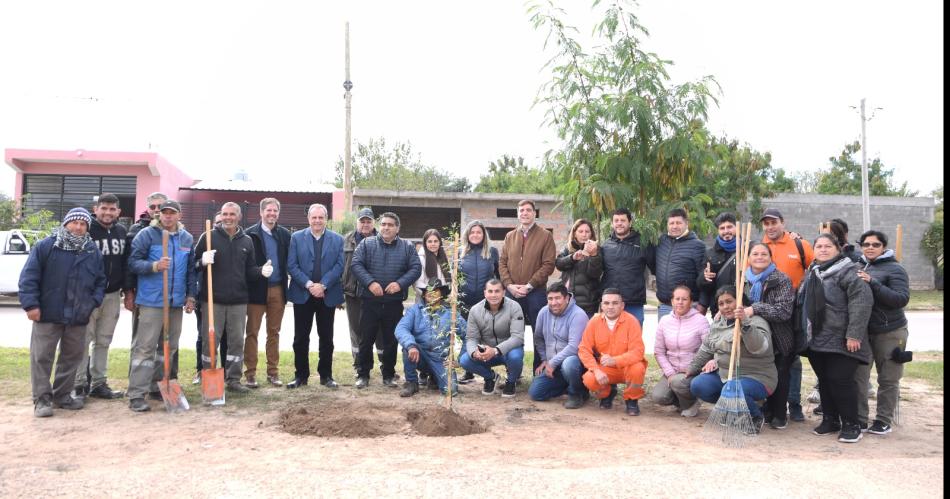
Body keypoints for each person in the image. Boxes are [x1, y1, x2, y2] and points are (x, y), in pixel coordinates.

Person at [20, 207, 106, 417]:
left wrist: (92, 302)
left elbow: (100, 281)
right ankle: (41, 399)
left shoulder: (91, 250)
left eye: (83, 224)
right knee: (42, 357)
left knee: (72, 357)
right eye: (74, 222)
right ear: (66, 223)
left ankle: (62, 396)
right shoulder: (46, 246)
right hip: (48, 313)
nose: (78, 227)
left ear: (87, 227)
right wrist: (31, 305)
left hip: (78, 316)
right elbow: (29, 277)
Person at [797, 233, 873, 443]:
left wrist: (854, 334)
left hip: (843, 338)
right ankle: (831, 420)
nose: (822, 249)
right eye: (819, 246)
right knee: (825, 381)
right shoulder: (813, 271)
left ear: (838, 248)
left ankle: (852, 424)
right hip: (817, 338)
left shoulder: (850, 272)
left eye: (827, 246)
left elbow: (861, 303)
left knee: (841, 381)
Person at [194, 202, 271, 394]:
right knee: (210, 340)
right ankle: (209, 377)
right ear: (221, 215)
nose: (228, 217)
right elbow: (192, 265)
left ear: (239, 217)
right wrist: (202, 261)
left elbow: (250, 270)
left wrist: (261, 271)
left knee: (237, 341)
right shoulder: (208, 237)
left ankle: (233, 379)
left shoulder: (246, 241)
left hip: (238, 300)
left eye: (232, 214)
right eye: (225, 214)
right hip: (212, 300)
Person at [126, 200, 196, 412]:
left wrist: (190, 296)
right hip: (152, 301)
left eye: (172, 213)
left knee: (168, 348)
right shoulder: (147, 235)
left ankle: (158, 385)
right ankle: (137, 393)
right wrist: (154, 266)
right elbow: (132, 263)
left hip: (175, 302)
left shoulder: (186, 238)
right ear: (159, 215)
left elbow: (191, 270)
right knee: (145, 348)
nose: (167, 216)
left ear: (179, 216)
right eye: (164, 213)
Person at [687, 286, 777, 432]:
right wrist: (692, 368)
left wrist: (744, 323)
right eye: (721, 304)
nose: (725, 307)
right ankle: (730, 409)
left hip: (757, 377)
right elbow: (707, 348)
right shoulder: (719, 323)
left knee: (734, 388)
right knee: (698, 384)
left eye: (729, 301)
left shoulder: (756, 321)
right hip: (726, 376)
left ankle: (755, 417)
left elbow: (759, 348)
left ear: (740, 301)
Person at [351, 212, 422, 388]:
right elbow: (356, 264)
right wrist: (370, 282)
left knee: (391, 340)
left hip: (394, 302)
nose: (386, 227)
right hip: (369, 301)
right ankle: (363, 374)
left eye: (390, 225)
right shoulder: (366, 244)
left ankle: (389, 374)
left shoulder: (407, 247)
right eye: (383, 224)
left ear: (397, 228)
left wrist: (400, 283)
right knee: (365, 339)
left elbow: (415, 268)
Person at [760, 207, 814, 423]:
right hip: (766, 313)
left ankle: (794, 403)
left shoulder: (799, 244)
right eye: (766, 223)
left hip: (793, 312)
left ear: (783, 222)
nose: (770, 227)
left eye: (774, 222)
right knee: (770, 359)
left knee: (792, 360)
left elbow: (818, 265)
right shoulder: (759, 247)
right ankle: (771, 404)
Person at [735, 243, 796, 429]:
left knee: (780, 375)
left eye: (764, 253)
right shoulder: (742, 279)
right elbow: (735, 302)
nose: (759, 257)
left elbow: (784, 311)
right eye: (755, 253)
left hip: (778, 338)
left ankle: (779, 413)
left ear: (771, 257)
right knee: (756, 375)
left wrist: (755, 309)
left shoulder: (781, 279)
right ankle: (763, 411)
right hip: (752, 336)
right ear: (749, 257)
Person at [854, 230, 910, 435]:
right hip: (862, 332)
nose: (870, 247)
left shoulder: (895, 269)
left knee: (888, 377)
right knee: (859, 377)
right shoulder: (857, 266)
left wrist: (873, 282)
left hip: (890, 331)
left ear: (883, 247)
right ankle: (859, 419)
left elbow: (900, 299)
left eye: (875, 244)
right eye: (866, 244)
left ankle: (883, 420)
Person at [74, 193, 128, 400]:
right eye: (103, 208)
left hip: (113, 294)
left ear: (118, 212)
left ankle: (98, 383)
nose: (107, 212)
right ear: (95, 209)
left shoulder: (122, 231)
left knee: (104, 340)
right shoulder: (85, 230)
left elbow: (124, 263)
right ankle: (79, 384)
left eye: (112, 209)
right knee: (82, 339)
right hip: (87, 294)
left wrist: (126, 289)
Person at [285, 203, 343, 389]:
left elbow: (340, 266)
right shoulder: (296, 238)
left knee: (326, 337)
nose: (317, 221)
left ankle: (326, 376)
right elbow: (292, 265)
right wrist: (310, 285)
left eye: (321, 217)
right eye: (314, 217)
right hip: (303, 294)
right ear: (308, 218)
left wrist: (323, 285)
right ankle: (301, 375)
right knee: (300, 338)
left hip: (327, 294)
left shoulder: (337, 239)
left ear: (326, 219)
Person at [499, 199, 556, 372]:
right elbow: (502, 263)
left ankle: (538, 373)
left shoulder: (545, 236)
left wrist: (529, 285)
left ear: (534, 213)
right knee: (512, 333)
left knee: (539, 333)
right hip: (512, 293)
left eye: (528, 210)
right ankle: (513, 374)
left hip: (536, 292)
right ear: (518, 214)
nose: (524, 213)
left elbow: (548, 264)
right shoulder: (510, 236)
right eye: (521, 210)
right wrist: (509, 286)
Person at [243, 198, 291, 388]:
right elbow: (245, 266)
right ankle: (250, 373)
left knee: (274, 332)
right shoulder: (250, 234)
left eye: (275, 211)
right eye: (268, 210)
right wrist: (258, 271)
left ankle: (272, 372)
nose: (272, 214)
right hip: (256, 290)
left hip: (277, 289)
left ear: (278, 213)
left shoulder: (284, 235)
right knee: (252, 332)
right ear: (261, 212)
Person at [578, 288, 647, 416]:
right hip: (606, 369)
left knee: (637, 368)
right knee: (589, 378)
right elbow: (584, 349)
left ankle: (632, 400)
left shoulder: (632, 321)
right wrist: (596, 370)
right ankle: (606, 394)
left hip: (627, 367)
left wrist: (616, 360)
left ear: (622, 305)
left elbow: (638, 351)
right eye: (606, 303)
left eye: (615, 303)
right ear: (601, 305)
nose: (610, 307)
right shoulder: (594, 322)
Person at [394, 278, 466, 397]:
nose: (431, 293)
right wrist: (411, 345)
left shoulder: (451, 313)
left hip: (440, 358)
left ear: (441, 294)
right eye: (428, 291)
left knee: (451, 391)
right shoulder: (415, 310)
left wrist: (460, 360)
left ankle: (435, 377)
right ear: (424, 294)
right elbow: (401, 329)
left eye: (435, 291)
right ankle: (411, 382)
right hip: (419, 354)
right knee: (408, 348)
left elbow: (468, 335)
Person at [461, 279, 526, 397]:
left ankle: (511, 382)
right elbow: (471, 338)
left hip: (508, 351)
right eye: (490, 291)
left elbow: (518, 337)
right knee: (465, 360)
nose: (493, 295)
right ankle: (490, 377)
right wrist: (475, 353)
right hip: (486, 353)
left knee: (516, 356)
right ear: (485, 293)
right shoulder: (475, 310)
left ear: (504, 292)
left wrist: (496, 350)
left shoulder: (515, 307)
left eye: (497, 291)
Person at [651, 285, 709, 417]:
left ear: (691, 302)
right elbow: (659, 351)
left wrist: (693, 368)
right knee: (658, 397)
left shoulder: (701, 320)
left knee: (678, 382)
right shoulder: (664, 321)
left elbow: (707, 350)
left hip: (692, 371)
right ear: (672, 301)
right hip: (672, 370)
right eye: (677, 299)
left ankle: (691, 403)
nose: (680, 302)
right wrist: (670, 373)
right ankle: (683, 402)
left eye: (684, 299)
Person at [528, 282, 589, 408]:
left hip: (574, 362)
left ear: (566, 298)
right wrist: (545, 359)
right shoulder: (544, 312)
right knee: (535, 393)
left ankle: (576, 393)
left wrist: (552, 362)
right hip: (553, 365)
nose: (553, 302)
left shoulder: (578, 315)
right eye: (550, 299)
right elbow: (538, 338)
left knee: (569, 364)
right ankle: (571, 385)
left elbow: (574, 347)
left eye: (557, 298)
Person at [342, 207, 385, 379]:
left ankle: (385, 365)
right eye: (362, 221)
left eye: (368, 221)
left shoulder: (382, 239)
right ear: (357, 222)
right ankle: (359, 365)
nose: (365, 224)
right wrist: (341, 291)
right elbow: (341, 267)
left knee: (380, 331)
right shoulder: (347, 240)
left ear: (373, 222)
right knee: (356, 331)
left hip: (377, 294)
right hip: (353, 294)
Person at [123, 192, 167, 340]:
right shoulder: (136, 230)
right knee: (140, 337)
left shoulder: (175, 230)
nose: (156, 209)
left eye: (160, 206)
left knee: (165, 337)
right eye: (152, 206)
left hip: (166, 293)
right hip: (141, 292)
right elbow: (129, 263)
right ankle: (136, 364)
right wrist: (129, 291)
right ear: (147, 208)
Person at [650, 208, 707, 319]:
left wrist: (703, 305)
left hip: (689, 307)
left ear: (686, 224)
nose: (674, 226)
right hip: (665, 306)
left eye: (678, 223)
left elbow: (704, 278)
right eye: (671, 223)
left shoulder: (697, 245)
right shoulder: (661, 242)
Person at [600, 208, 650, 326]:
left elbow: (656, 267)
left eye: (623, 220)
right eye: (616, 220)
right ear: (612, 224)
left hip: (634, 303)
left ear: (630, 222)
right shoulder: (606, 245)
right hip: (611, 303)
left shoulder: (643, 244)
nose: (619, 223)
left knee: (634, 342)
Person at [555, 218, 603, 317]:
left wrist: (593, 255)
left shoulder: (597, 250)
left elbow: (595, 273)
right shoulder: (568, 248)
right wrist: (572, 258)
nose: (584, 234)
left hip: (588, 303)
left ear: (591, 234)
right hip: (567, 301)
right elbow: (559, 264)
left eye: (587, 231)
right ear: (575, 233)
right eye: (580, 231)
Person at [698, 212, 738, 318]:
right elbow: (703, 286)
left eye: (729, 227)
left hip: (742, 308)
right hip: (720, 310)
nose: (726, 231)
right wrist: (704, 277)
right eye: (722, 228)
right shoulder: (710, 253)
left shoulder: (748, 248)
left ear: (736, 227)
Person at [458, 219, 500, 315]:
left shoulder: (492, 251)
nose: (475, 235)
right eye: (472, 232)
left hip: (486, 302)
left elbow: (499, 276)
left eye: (478, 232)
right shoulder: (459, 252)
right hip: (464, 304)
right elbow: (454, 278)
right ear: (467, 235)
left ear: (484, 235)